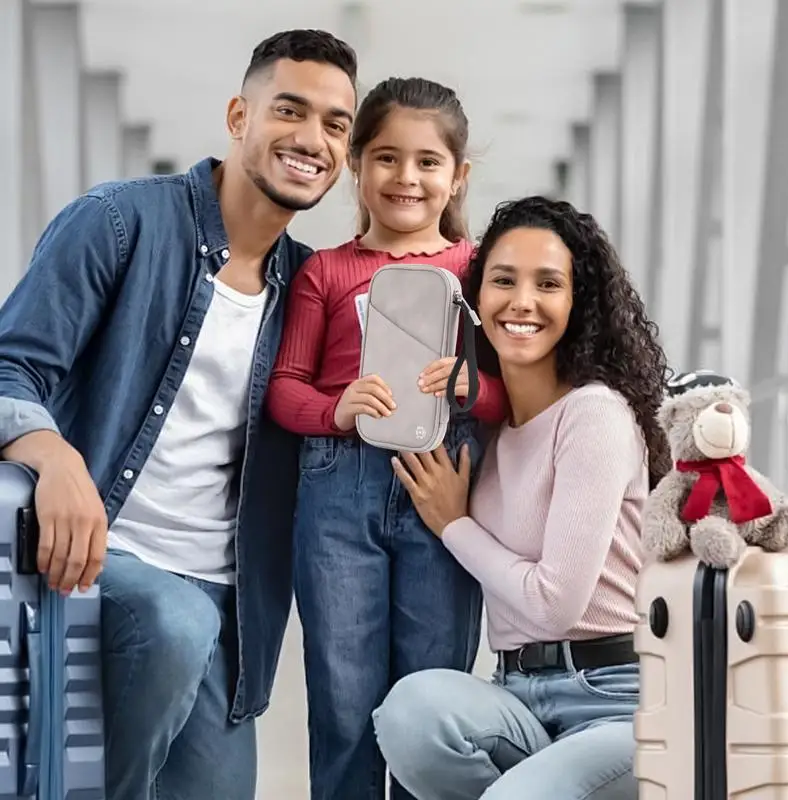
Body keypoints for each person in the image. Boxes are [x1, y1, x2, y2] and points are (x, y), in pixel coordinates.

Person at [0, 29, 358, 800]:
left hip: (229, 606)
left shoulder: (310, 293)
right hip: (100, 559)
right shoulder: (120, 223)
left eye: (336, 124)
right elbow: (10, 365)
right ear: (239, 116)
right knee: (174, 623)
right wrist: (55, 458)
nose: (312, 139)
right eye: (289, 110)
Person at [372, 195, 672, 800]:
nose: (522, 301)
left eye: (549, 284)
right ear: (476, 300)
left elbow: (555, 604)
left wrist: (454, 525)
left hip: (621, 702)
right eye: (503, 280)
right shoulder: (490, 430)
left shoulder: (594, 414)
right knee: (409, 713)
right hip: (518, 696)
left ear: (576, 302)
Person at [266, 77, 508, 799]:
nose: (407, 178)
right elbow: (284, 388)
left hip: (444, 485)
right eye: (387, 159)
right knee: (343, 695)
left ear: (457, 176)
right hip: (339, 490)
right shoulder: (326, 272)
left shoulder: (477, 271)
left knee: (430, 692)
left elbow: (514, 394)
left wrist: (477, 391)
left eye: (429, 162)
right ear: (356, 167)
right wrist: (335, 410)